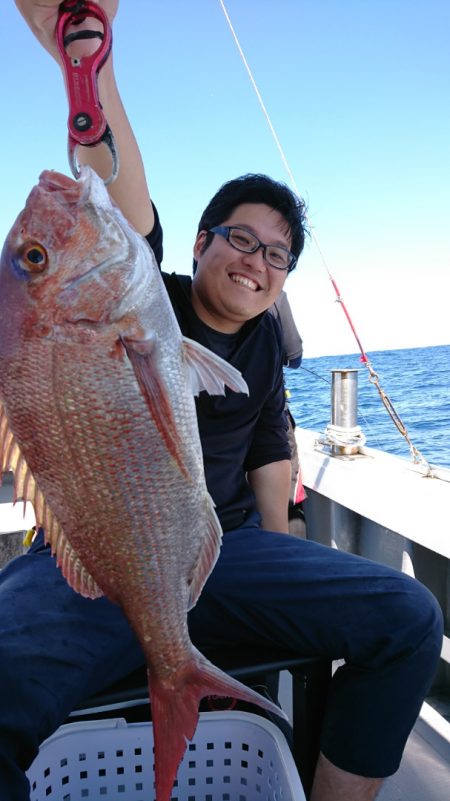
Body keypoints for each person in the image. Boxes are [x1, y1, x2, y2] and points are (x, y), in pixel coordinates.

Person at [2, 3, 443, 801]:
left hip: (229, 555)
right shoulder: (147, 300)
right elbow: (118, 194)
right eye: (240, 238)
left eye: (277, 254)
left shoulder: (268, 340)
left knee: (411, 617)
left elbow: (272, 445)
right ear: (200, 242)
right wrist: (93, 74)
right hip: (93, 561)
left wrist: (287, 550)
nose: (257, 263)